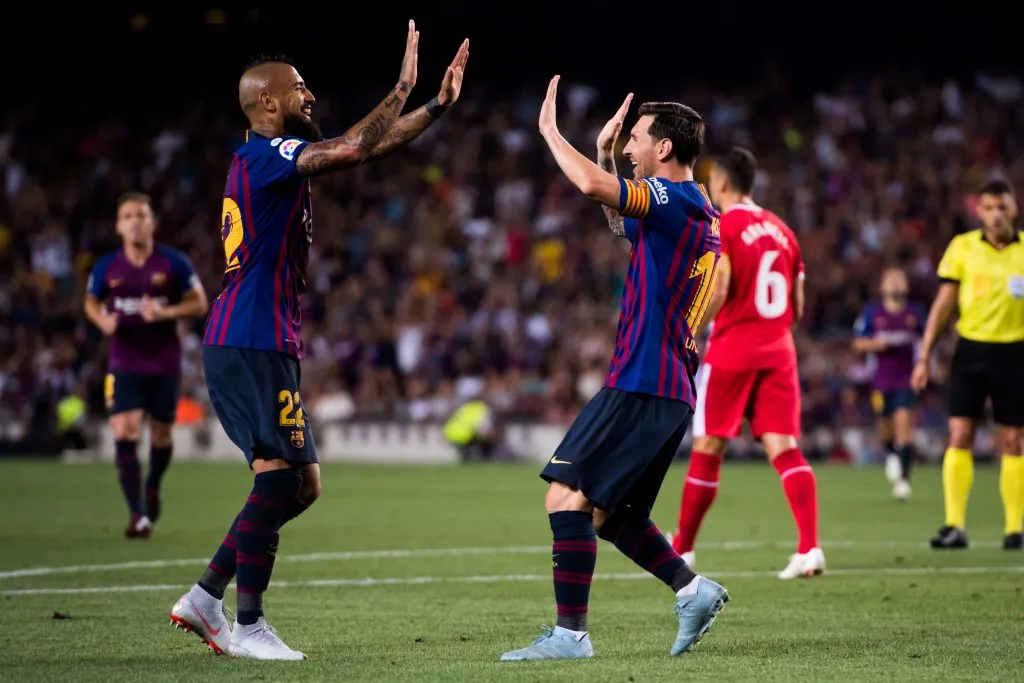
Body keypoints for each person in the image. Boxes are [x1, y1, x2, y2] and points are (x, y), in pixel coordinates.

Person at [169, 23, 469, 660]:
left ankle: (208, 598)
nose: (310, 95)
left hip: (263, 340)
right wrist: (404, 86)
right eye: (298, 88)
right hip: (249, 338)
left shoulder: (273, 160)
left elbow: (367, 147)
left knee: (301, 483)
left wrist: (436, 106)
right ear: (268, 103)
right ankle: (243, 623)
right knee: (278, 481)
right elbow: (353, 149)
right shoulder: (263, 154)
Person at [500, 80, 727, 663]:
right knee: (612, 515)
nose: (627, 146)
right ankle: (693, 590)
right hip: (665, 385)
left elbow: (590, 186)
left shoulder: (675, 201)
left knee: (564, 499)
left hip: (643, 379)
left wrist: (551, 132)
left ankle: (570, 638)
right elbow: (619, 221)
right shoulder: (692, 209)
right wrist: (603, 155)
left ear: (665, 151)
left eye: (635, 139)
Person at [669, 147, 823, 580]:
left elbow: (720, 285)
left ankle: (682, 548)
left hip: (734, 347)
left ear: (720, 181)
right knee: (784, 448)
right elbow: (797, 304)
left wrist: (693, 325)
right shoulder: (782, 230)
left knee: (708, 446)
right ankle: (809, 547)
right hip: (779, 349)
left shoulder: (725, 224)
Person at [84, 192, 208, 539]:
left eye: (142, 215)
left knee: (162, 434)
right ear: (119, 226)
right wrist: (101, 322)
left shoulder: (174, 263)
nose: (136, 221)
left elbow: (199, 304)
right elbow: (90, 302)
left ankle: (153, 483)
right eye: (128, 216)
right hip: (124, 361)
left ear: (152, 223)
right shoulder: (106, 267)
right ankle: (137, 514)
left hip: (164, 362)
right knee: (124, 430)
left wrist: (166, 312)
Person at [912, 179, 1024, 551]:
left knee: (1012, 440)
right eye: (989, 208)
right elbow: (943, 306)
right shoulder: (962, 248)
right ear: (980, 211)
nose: (996, 215)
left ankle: (1014, 529)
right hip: (971, 351)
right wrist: (925, 355)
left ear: (1014, 208)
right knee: (960, 434)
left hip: (1015, 352)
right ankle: (954, 525)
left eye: (1002, 207)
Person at [852, 268, 925, 500]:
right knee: (885, 426)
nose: (894, 283)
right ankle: (890, 453)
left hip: (907, 377)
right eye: (890, 280)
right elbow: (858, 343)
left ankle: (904, 480)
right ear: (882, 287)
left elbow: (928, 337)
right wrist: (878, 345)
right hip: (881, 380)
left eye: (899, 279)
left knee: (904, 426)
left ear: (906, 286)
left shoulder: (915, 312)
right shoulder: (873, 313)